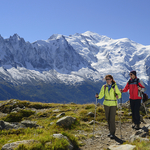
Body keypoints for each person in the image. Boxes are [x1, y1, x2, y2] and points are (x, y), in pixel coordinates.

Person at [95, 75, 121, 139]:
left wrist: (118, 96)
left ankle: (112, 133)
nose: (107, 80)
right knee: (108, 118)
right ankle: (110, 131)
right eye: (106, 79)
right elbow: (101, 94)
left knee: (112, 119)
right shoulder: (104, 87)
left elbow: (119, 94)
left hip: (113, 104)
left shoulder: (115, 86)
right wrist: (98, 97)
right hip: (106, 103)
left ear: (111, 79)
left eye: (108, 79)